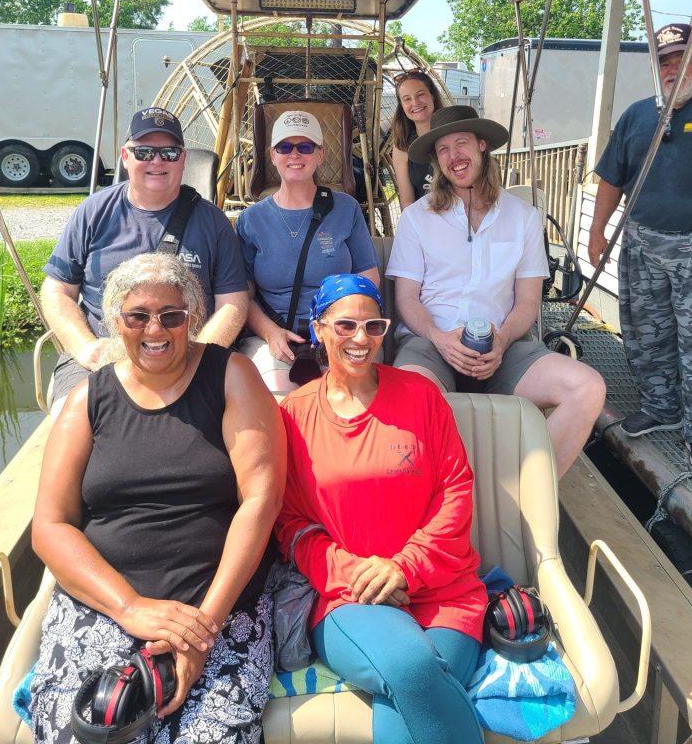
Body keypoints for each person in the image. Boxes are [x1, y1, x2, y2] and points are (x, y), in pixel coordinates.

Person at [30, 253, 285, 744]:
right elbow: (50, 525)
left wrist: (201, 632)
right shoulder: (89, 398)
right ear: (114, 322)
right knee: (82, 730)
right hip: (103, 607)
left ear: (191, 319)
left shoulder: (231, 376)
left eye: (172, 315)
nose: (156, 329)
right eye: (138, 316)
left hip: (218, 610)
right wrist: (128, 607)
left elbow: (261, 501)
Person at [276, 274, 486, 744]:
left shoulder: (421, 395)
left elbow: (455, 490)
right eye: (346, 325)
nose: (361, 339)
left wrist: (404, 568)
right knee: (411, 666)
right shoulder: (293, 415)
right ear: (319, 330)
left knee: (414, 691)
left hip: (444, 592)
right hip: (349, 596)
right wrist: (357, 573)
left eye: (373, 326)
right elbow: (290, 524)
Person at [387, 105, 605, 479]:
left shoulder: (523, 217)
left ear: (482, 146)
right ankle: (439, 503)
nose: (453, 155)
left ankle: (522, 493)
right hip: (432, 343)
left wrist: (502, 340)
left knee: (587, 387)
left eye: (461, 143)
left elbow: (528, 303)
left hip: (503, 346)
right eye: (443, 149)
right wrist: (441, 339)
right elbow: (406, 299)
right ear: (437, 161)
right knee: (410, 400)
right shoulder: (416, 218)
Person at [589, 22, 692, 475]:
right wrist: (597, 231)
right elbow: (611, 179)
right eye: (664, 60)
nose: (673, 67)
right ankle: (661, 407)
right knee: (647, 336)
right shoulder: (636, 116)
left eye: (681, 56)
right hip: (642, 244)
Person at [41, 106, 248, 411]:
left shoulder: (213, 222)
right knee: (71, 424)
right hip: (106, 353)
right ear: (125, 157)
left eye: (169, 153)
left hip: (186, 353)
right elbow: (56, 289)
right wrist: (84, 347)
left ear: (183, 158)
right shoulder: (93, 212)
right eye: (144, 152)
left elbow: (234, 302)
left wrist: (199, 357)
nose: (157, 161)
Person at [235, 109, 379, 392]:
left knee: (347, 396)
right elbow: (243, 296)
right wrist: (270, 332)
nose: (295, 155)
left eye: (305, 147)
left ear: (320, 155)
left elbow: (369, 279)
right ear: (272, 155)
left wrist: (340, 326)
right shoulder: (251, 220)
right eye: (285, 147)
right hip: (273, 335)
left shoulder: (346, 208)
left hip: (339, 332)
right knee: (276, 395)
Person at [391, 70, 445, 209]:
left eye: (420, 94)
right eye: (407, 99)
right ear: (402, 106)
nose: (415, 102)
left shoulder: (452, 134)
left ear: (432, 96)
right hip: (426, 222)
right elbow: (407, 202)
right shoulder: (402, 146)